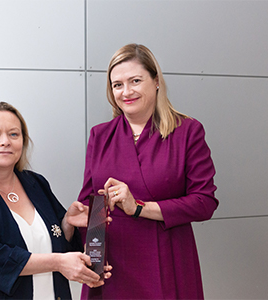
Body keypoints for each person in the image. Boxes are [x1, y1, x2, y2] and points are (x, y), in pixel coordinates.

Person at [77, 44, 219, 299]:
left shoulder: (187, 131)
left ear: (156, 81)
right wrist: (92, 258)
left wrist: (139, 207)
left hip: (165, 260)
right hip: (111, 267)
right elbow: (91, 202)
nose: (126, 92)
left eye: (135, 81)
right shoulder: (100, 135)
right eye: (117, 84)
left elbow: (204, 202)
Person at [0, 101, 111, 300]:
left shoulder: (36, 183)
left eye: (14, 134)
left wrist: (67, 224)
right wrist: (58, 262)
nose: (5, 141)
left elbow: (57, 247)